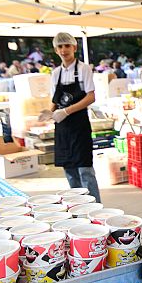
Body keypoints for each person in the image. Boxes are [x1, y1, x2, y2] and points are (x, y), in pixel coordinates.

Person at [40, 32, 101, 203]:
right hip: (62, 128)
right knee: (69, 170)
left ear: (74, 47)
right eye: (60, 46)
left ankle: (95, 208)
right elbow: (55, 100)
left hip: (79, 124)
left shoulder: (83, 69)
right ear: (56, 50)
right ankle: (78, 206)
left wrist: (66, 111)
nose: (64, 49)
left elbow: (90, 97)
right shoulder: (56, 73)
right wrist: (48, 113)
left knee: (85, 170)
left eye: (67, 46)